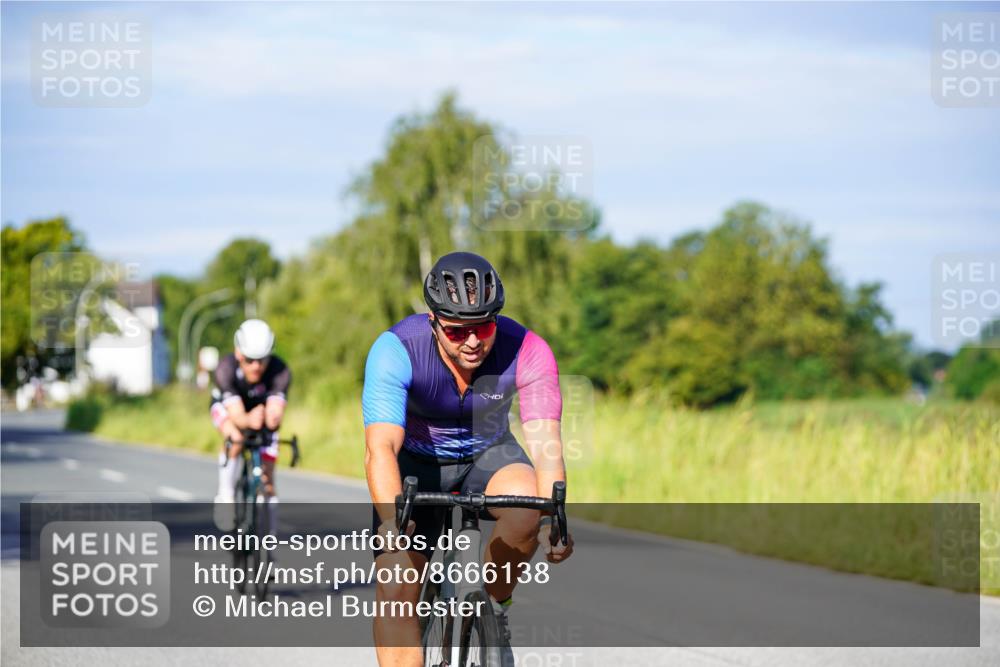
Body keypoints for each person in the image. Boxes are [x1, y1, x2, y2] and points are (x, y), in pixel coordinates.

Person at [363, 252, 574, 667]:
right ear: (433, 320)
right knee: (396, 586)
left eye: (484, 327)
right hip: (416, 463)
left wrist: (555, 519)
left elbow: (546, 443)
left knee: (528, 507)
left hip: (488, 454)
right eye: (457, 332)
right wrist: (391, 521)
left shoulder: (527, 350)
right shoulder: (396, 349)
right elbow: (380, 447)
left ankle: (494, 607)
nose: (473, 341)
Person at [210, 318, 291, 532]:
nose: (256, 366)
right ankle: (225, 495)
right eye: (249, 360)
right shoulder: (225, 368)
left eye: (262, 360)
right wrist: (249, 420)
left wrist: (271, 418)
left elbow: (275, 413)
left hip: (259, 411)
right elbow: (237, 416)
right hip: (229, 409)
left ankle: (269, 539)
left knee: (268, 480)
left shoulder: (280, 370)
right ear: (238, 353)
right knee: (236, 437)